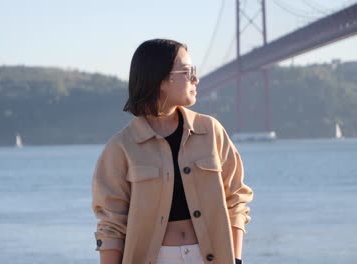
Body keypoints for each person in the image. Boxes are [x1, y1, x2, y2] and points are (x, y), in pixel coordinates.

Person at [91, 39, 253, 264]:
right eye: (187, 71)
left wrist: (235, 259)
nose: (196, 79)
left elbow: (236, 200)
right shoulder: (121, 147)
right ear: (161, 79)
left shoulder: (211, 131)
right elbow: (111, 225)